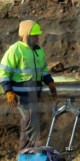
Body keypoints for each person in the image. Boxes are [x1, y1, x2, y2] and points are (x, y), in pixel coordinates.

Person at [1, 20, 57, 151]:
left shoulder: (38, 50)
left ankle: (30, 149)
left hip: (34, 93)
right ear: (26, 35)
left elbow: (43, 69)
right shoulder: (15, 50)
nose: (37, 38)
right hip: (21, 94)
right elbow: (3, 71)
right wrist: (8, 91)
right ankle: (25, 151)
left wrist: (50, 82)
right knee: (29, 120)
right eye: (35, 35)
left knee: (32, 121)